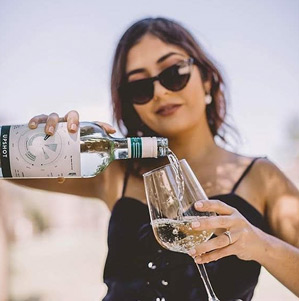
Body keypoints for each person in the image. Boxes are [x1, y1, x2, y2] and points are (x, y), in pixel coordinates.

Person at [12, 17, 299, 300]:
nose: (160, 92)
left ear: (207, 81)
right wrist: (39, 143)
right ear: (130, 103)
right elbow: (9, 165)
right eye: (140, 86)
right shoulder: (111, 169)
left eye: (174, 73)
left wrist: (260, 244)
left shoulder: (262, 177)